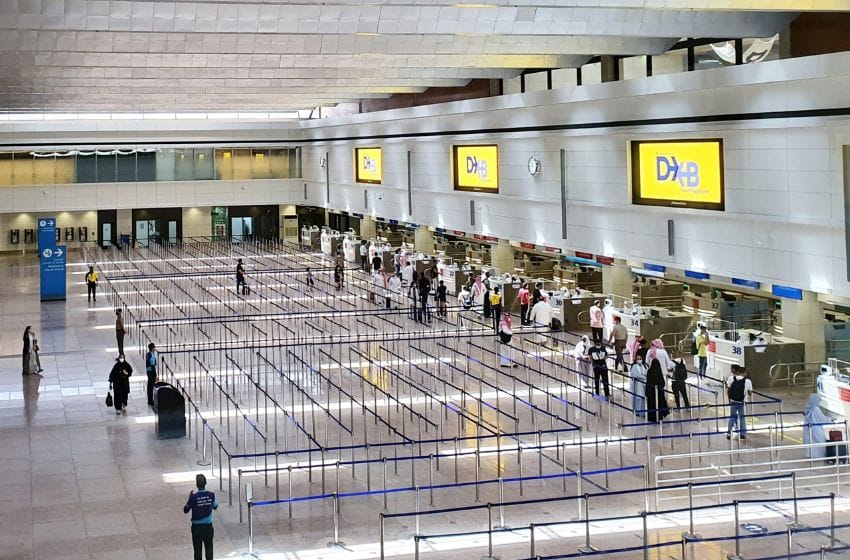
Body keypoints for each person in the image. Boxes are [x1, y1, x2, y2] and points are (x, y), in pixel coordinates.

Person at [183, 473, 219, 560]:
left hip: (196, 528)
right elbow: (215, 506)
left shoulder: (193, 497)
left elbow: (185, 510)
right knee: (209, 549)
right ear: (205, 483)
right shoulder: (211, 495)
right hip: (208, 527)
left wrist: (190, 498)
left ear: (196, 485)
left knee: (197, 550)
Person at [725, 365, 752, 440]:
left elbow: (728, 390)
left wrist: (729, 400)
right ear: (744, 373)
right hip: (742, 402)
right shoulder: (748, 381)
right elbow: (750, 393)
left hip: (733, 401)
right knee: (742, 417)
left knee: (732, 417)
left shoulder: (731, 378)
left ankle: (729, 433)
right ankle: (742, 434)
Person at [803, 393, 834, 459]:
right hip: (816, 429)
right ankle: (818, 456)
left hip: (808, 428)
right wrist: (830, 420)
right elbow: (822, 419)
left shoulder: (808, 407)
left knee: (810, 442)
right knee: (820, 442)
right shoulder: (815, 409)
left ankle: (810, 455)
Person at [645, 358, 670, 423]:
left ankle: (652, 417)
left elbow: (648, 382)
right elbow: (662, 382)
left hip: (651, 392)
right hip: (659, 392)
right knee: (660, 404)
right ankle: (660, 416)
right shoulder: (658, 371)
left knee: (652, 405)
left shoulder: (649, 371)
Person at [145, 343, 158, 407]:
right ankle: (150, 400)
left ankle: (150, 400)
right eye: (154, 348)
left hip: (148, 371)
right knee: (150, 386)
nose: (155, 349)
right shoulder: (151, 355)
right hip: (151, 372)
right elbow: (152, 365)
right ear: (152, 348)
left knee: (149, 386)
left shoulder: (148, 354)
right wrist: (155, 375)